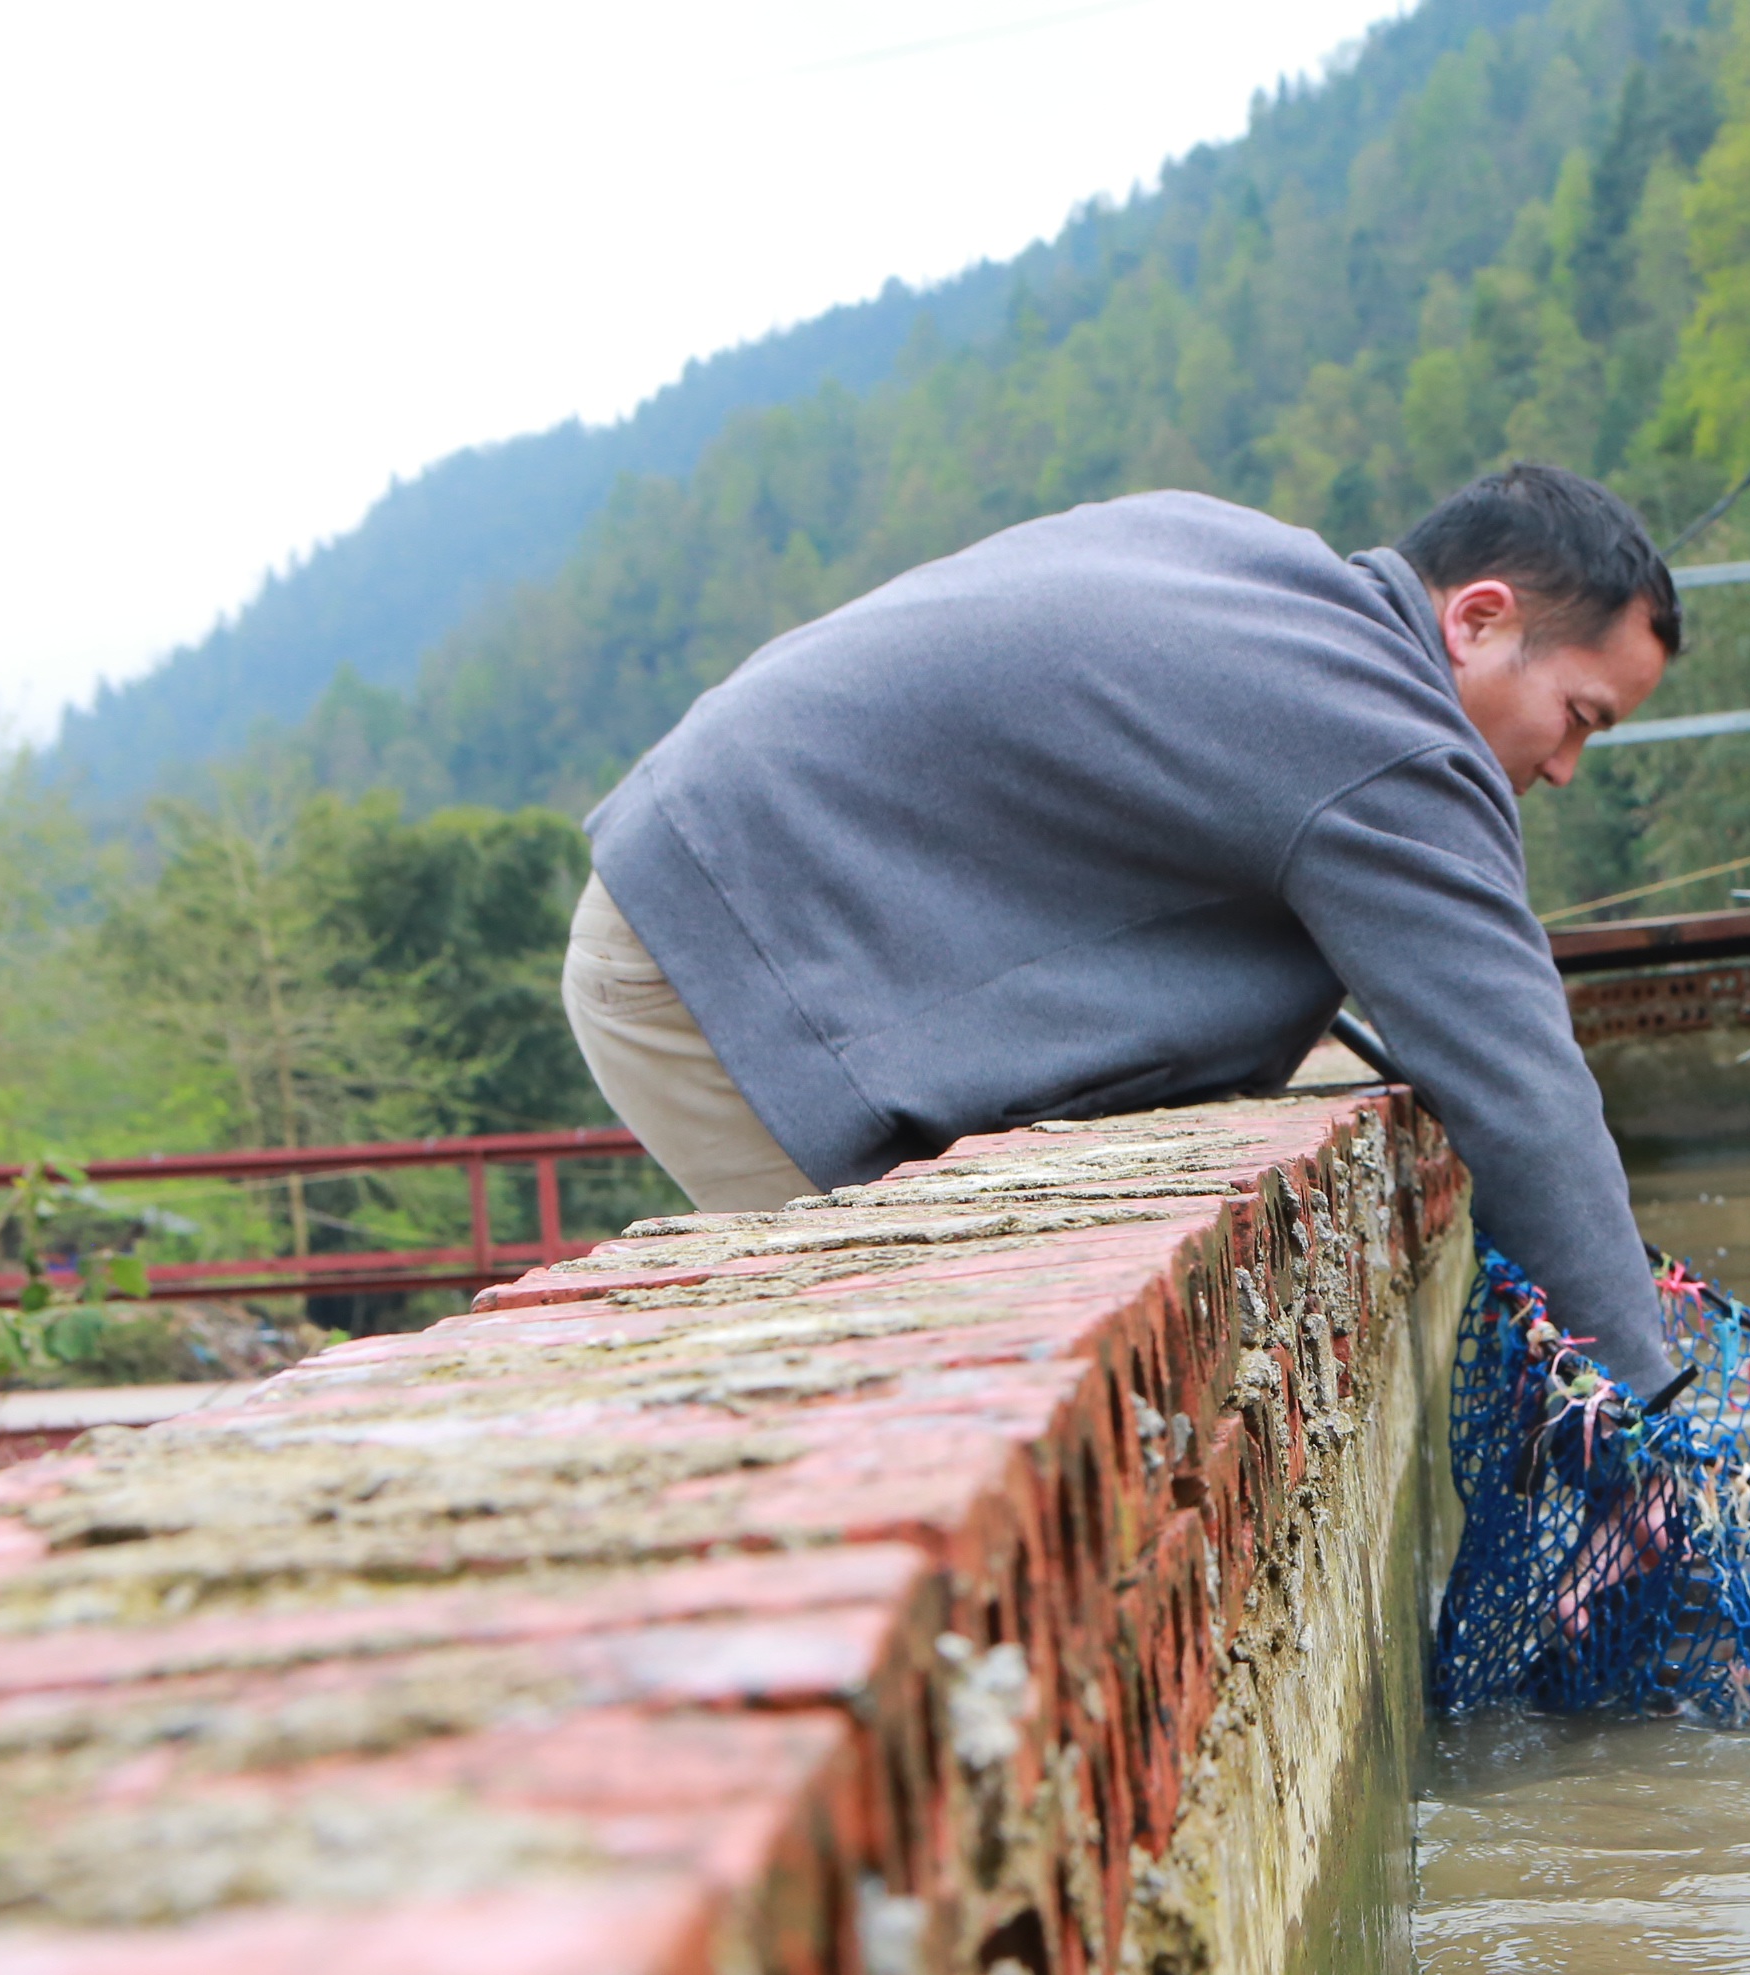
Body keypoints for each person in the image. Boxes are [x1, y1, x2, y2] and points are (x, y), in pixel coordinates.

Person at [560, 462, 1684, 1389]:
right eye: (1579, 715)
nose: (1571, 766)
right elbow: (1523, 1086)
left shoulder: (1259, 569)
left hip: (703, 873)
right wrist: (1650, 1418)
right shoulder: (1384, 731)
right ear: (1479, 619)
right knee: (939, 1391)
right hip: (720, 956)